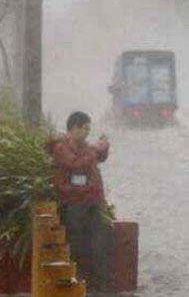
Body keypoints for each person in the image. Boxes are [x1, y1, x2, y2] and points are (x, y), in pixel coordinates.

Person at [48, 111, 111, 292]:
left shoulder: (86, 147)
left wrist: (103, 147)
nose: (87, 134)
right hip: (74, 203)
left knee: (99, 245)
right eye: (84, 129)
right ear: (73, 128)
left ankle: (99, 288)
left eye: (89, 130)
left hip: (93, 201)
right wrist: (94, 150)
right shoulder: (61, 148)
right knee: (78, 246)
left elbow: (99, 157)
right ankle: (79, 287)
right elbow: (76, 164)